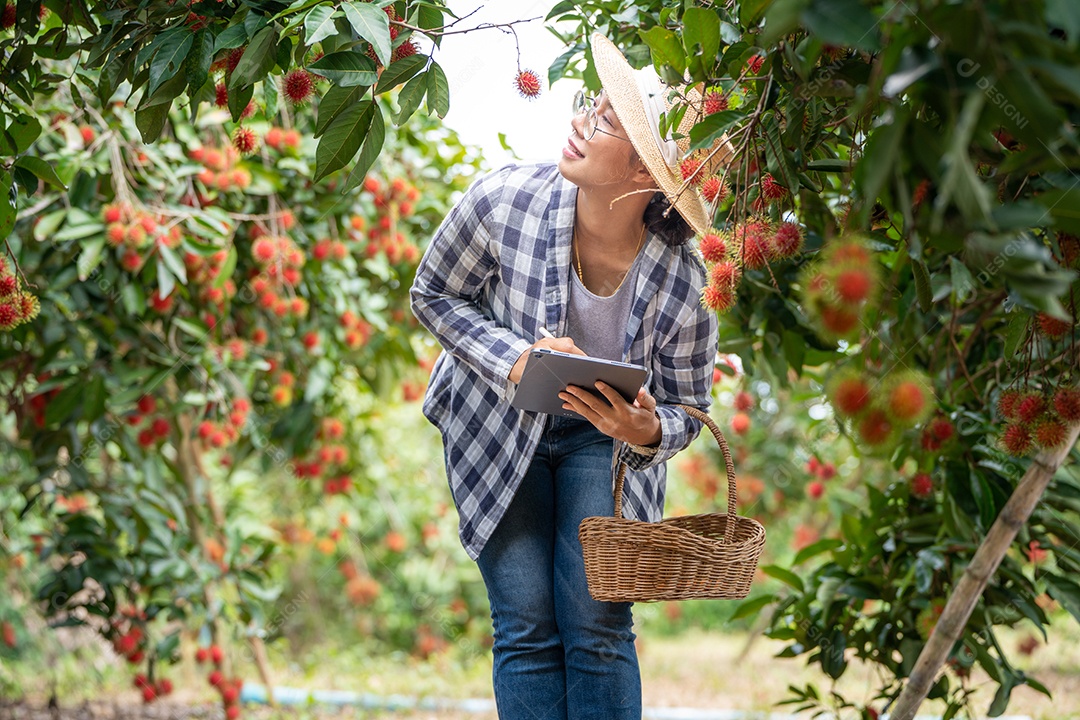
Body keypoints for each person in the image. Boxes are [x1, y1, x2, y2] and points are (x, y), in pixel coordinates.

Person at [409, 33, 734, 720]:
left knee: (598, 627)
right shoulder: (504, 200)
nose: (581, 121)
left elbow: (687, 407)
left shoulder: (684, 282)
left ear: (647, 174)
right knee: (525, 625)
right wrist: (514, 358)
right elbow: (433, 295)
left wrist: (647, 429)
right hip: (496, 422)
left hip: (601, 443)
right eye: (591, 105)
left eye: (607, 121)